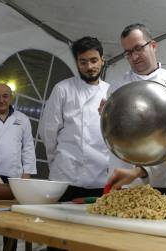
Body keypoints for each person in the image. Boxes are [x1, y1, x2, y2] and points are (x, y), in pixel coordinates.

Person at [104, 23, 166, 206]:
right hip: (126, 179)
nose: (133, 56)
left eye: (138, 48)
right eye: (127, 52)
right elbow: (111, 135)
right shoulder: (117, 88)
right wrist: (107, 115)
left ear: (153, 45)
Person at [39, 36, 110, 201]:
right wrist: (57, 162)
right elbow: (48, 131)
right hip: (66, 176)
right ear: (77, 63)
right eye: (83, 62)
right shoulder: (63, 89)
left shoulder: (110, 92)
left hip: (100, 176)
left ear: (102, 60)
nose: (89, 67)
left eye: (94, 60)